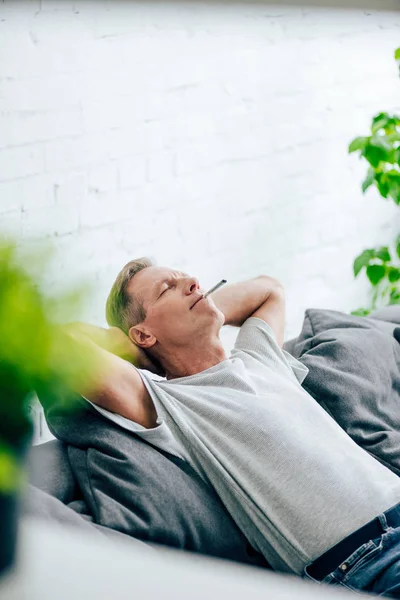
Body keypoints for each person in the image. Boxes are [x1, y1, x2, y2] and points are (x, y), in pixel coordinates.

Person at [64, 258, 400, 598]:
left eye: (188, 278)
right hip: (366, 561)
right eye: (167, 288)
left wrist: (194, 309)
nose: (193, 282)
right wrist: (140, 346)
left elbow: (270, 289)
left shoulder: (259, 355)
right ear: (142, 334)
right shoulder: (169, 402)